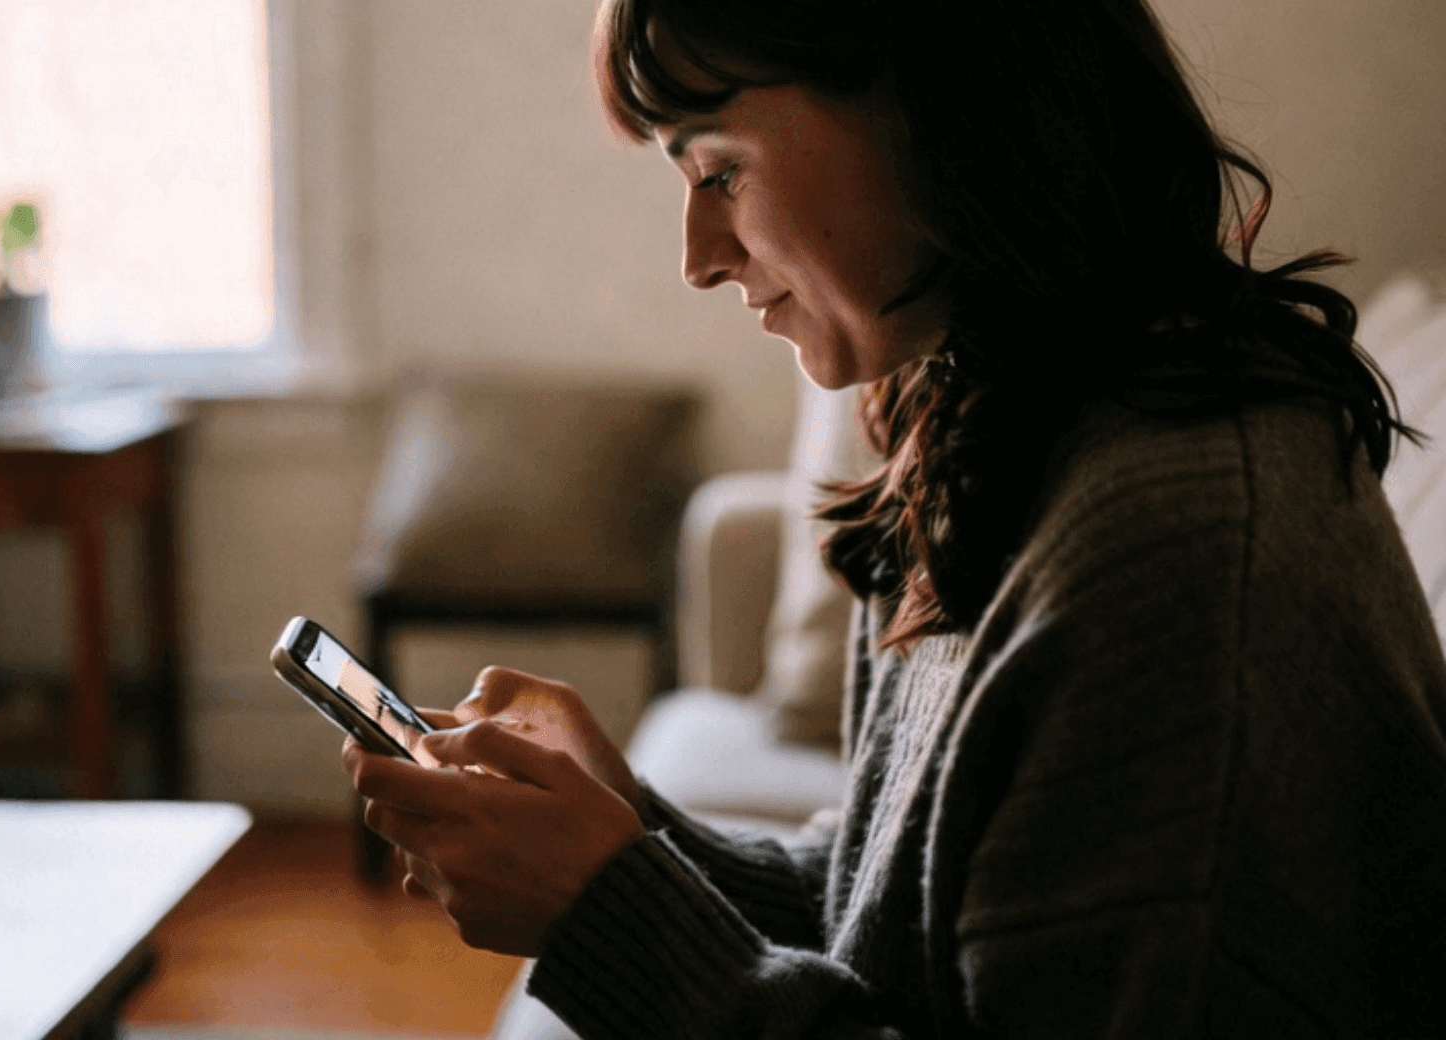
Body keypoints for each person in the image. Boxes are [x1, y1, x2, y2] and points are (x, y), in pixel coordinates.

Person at [342, 0, 1446, 1034]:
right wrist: (629, 827)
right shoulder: (999, 407)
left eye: (720, 169)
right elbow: (889, 911)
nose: (696, 258)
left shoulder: (1178, 547)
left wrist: (601, 916)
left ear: (942, 109)